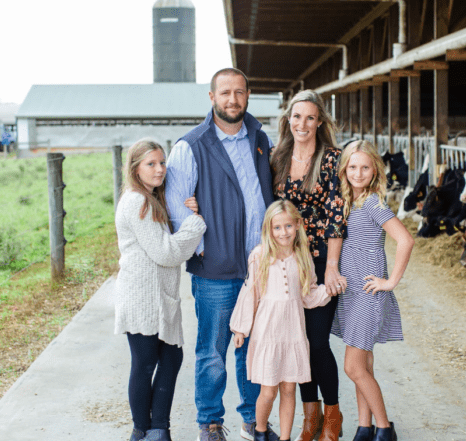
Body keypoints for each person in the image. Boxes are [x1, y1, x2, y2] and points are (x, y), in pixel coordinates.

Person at [165, 67, 278, 441]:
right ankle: (210, 421)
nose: (233, 100)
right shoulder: (191, 145)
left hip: (260, 267)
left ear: (248, 96)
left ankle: (252, 419)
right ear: (212, 97)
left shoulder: (260, 139)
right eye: (225, 93)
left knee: (255, 348)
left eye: (240, 92)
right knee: (212, 350)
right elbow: (176, 205)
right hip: (215, 268)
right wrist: (203, 248)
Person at [114, 139, 207, 441]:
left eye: (162, 162)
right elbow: (166, 252)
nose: (160, 169)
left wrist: (183, 210)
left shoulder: (151, 199)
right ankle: (143, 431)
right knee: (145, 363)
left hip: (157, 295)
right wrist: (195, 225)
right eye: (151, 164)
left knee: (170, 358)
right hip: (143, 296)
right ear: (135, 168)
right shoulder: (137, 201)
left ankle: (158, 429)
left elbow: (165, 238)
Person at [270, 90, 347, 441]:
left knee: (316, 342)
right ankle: (309, 417)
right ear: (289, 120)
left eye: (310, 118)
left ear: (319, 122)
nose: (302, 124)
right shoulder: (277, 158)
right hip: (288, 260)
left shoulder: (332, 158)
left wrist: (331, 265)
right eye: (296, 117)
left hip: (319, 258)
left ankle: (332, 415)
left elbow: (336, 215)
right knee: (296, 341)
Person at [229, 200, 337, 441]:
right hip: (268, 332)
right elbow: (250, 293)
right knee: (268, 391)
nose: (283, 232)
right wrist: (240, 329)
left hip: (293, 332)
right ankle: (259, 431)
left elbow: (308, 295)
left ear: (297, 225)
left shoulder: (302, 256)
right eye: (277, 227)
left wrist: (329, 290)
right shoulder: (260, 256)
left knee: (289, 389)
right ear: (268, 229)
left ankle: (286, 438)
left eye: (288, 226)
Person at [330, 140, 414, 441]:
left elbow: (405, 240)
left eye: (365, 167)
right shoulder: (347, 201)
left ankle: (383, 428)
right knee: (363, 365)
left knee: (353, 366)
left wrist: (390, 282)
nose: (358, 172)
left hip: (368, 293)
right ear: (344, 169)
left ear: (375, 170)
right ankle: (364, 427)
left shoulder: (373, 203)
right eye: (352, 166)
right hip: (350, 293)